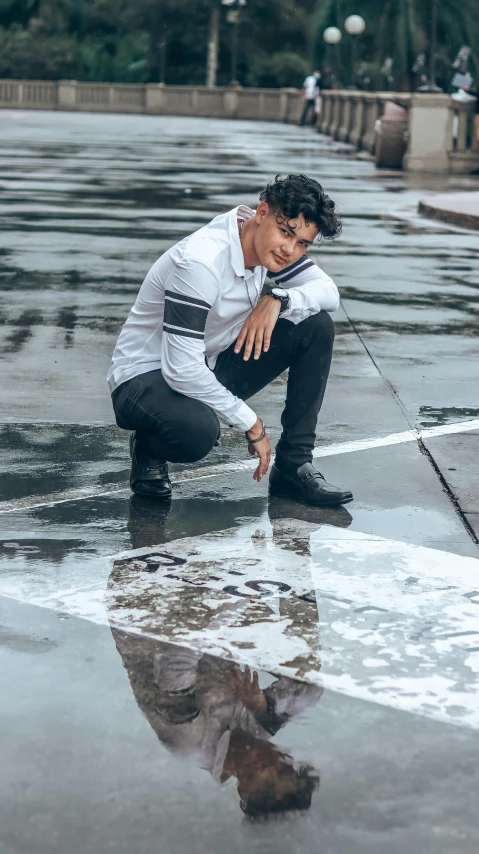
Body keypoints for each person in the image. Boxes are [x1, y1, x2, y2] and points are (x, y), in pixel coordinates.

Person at [108, 173, 353, 507]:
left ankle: (293, 466)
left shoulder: (269, 250)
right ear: (262, 212)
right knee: (196, 432)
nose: (289, 250)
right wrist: (252, 424)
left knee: (316, 325)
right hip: (143, 379)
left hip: (208, 363)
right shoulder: (201, 263)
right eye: (286, 232)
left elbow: (330, 293)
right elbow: (180, 370)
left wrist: (279, 298)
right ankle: (150, 447)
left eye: (302, 244)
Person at [111, 630, 322, 818]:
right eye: (284, 771)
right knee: (307, 663)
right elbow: (312, 686)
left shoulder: (189, 744)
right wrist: (263, 706)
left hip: (145, 619)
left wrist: (222, 611)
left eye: (267, 784)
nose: (271, 767)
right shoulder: (261, 726)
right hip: (198, 615)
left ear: (245, 791)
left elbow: (175, 660)